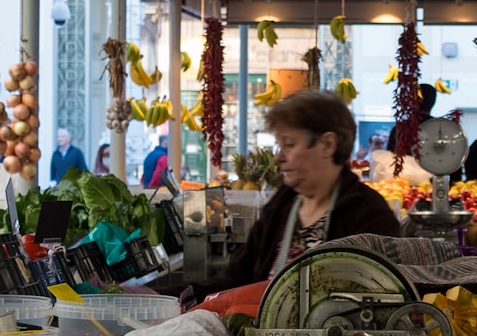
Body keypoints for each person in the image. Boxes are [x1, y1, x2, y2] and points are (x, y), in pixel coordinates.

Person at [157, 89, 401, 304]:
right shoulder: (283, 205)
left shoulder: (368, 214)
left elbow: (384, 299)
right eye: (279, 145)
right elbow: (235, 281)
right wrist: (162, 296)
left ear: (327, 145)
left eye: (289, 144)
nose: (278, 157)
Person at [386, 83, 437, 153]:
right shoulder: (442, 129)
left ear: (412, 101)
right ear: (433, 102)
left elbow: (390, 158)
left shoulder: (400, 130)